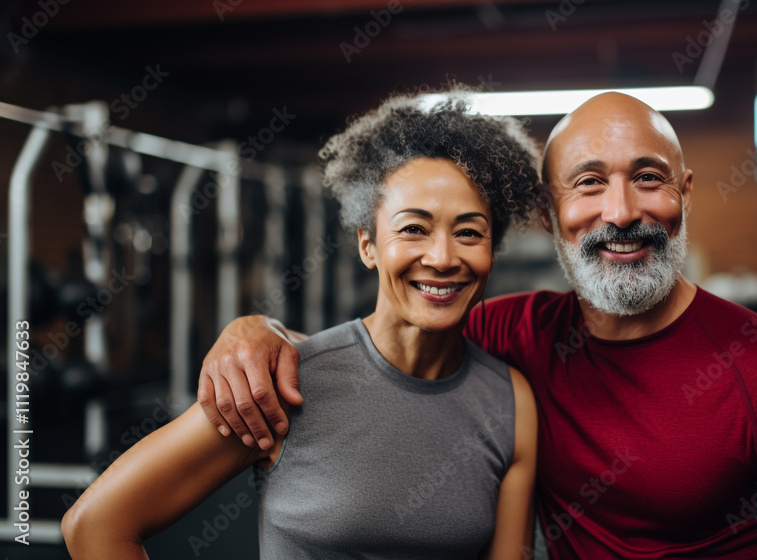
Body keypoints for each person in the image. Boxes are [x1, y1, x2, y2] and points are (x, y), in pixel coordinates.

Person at [198, 92, 757, 559]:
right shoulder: (504, 335)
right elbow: (383, 349)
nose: (620, 211)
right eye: (588, 183)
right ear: (549, 212)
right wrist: (258, 331)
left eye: (647, 178)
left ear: (684, 192)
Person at [61, 92, 542, 559]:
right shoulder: (284, 380)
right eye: (413, 228)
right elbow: (97, 525)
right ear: (368, 245)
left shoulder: (509, 402)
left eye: (468, 233)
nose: (441, 257)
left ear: (491, 251)